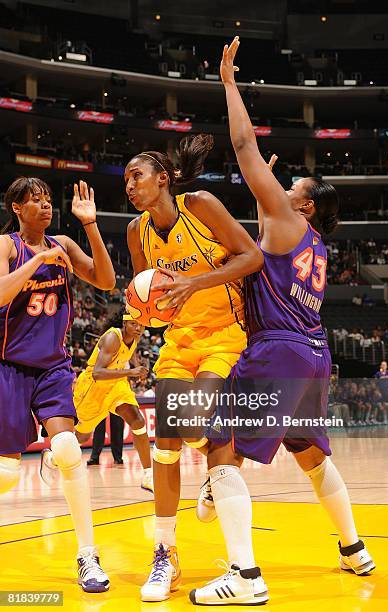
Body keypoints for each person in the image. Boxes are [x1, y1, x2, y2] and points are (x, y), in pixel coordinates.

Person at [190, 38, 375, 606]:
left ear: (308, 204)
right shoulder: (307, 240)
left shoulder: (289, 219)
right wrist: (266, 197)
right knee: (312, 453)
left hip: (279, 349)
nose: (285, 183)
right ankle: (354, 550)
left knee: (219, 444)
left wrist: (228, 82)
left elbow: (244, 145)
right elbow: (263, 250)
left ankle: (244, 579)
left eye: (291, 186)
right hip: (313, 353)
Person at [125, 133, 263, 601]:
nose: (129, 185)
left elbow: (253, 256)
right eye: (126, 180)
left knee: (192, 422)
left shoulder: (200, 204)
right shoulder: (135, 231)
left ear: (163, 179)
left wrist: (195, 281)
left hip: (225, 334)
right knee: (166, 442)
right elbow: (152, 296)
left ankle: (221, 463)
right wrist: (142, 315)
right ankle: (166, 556)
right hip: (178, 342)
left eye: (136, 176)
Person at [0, 177, 115, 592]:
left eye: (48, 200)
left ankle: (88, 556)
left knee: (67, 448)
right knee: (7, 475)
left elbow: (105, 281)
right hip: (9, 366)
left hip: (53, 366)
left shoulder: (64, 244)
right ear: (16, 208)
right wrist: (37, 261)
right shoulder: (8, 247)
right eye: (35, 201)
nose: (46, 206)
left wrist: (90, 226)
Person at [41, 313, 154, 492]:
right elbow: (98, 373)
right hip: (93, 389)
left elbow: (126, 355)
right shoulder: (112, 337)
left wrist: (136, 365)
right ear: (125, 323)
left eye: (141, 325)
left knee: (138, 421)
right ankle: (53, 457)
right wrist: (131, 372)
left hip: (116, 387)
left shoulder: (134, 337)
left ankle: (148, 475)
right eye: (134, 324)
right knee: (83, 436)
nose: (138, 328)